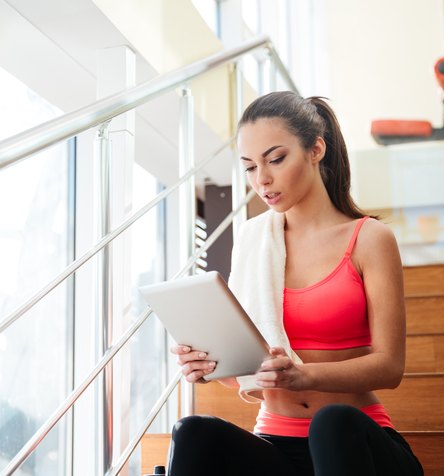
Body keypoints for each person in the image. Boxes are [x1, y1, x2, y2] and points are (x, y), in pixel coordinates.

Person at [167, 91, 424, 475]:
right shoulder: (255, 241)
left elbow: (390, 367)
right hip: (276, 443)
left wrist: (305, 376)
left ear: (316, 149)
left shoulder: (369, 239)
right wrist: (209, 365)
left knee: (331, 423)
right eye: (250, 167)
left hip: (356, 444)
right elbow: (249, 367)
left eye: (275, 159)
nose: (262, 179)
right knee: (192, 432)